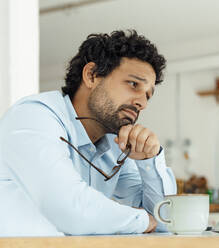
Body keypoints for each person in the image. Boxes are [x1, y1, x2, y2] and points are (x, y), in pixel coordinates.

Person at [0, 30, 177, 236]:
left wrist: (149, 159)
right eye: (133, 84)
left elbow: (165, 220)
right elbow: (70, 209)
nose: (142, 103)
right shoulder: (33, 115)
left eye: (148, 95)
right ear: (91, 75)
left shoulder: (115, 143)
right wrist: (141, 219)